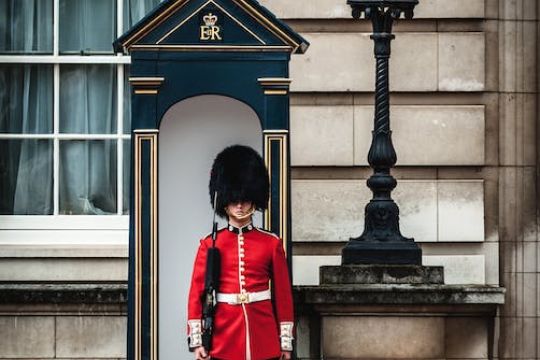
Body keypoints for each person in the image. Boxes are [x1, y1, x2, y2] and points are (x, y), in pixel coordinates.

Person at [187, 145, 294, 360]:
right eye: (233, 199)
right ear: (224, 201)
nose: (239, 205)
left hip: (262, 332)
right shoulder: (210, 244)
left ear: (254, 200)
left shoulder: (271, 243)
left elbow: (283, 295)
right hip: (224, 334)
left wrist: (285, 341)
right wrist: (198, 340)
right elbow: (197, 294)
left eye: (244, 199)